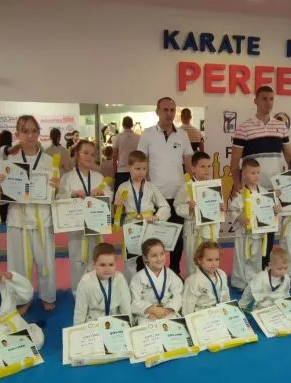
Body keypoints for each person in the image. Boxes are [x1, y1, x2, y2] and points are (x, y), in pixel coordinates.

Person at [229, 86, 291, 264]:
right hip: (252, 189)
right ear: (256, 101)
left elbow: (290, 157)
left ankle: (265, 267)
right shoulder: (244, 128)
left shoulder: (281, 127)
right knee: (251, 230)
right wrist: (237, 184)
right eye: (264, 98)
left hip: (273, 189)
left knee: (269, 229)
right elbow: (234, 161)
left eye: (271, 99)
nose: (268, 102)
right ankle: (249, 268)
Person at [2, 115, 60, 312]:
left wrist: (56, 187)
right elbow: (2, 198)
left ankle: (47, 295)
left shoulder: (49, 160)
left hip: (43, 218)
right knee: (18, 263)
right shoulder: (9, 161)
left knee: (46, 261)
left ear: (39, 133)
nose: (30, 135)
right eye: (25, 131)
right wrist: (2, 186)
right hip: (18, 218)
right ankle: (22, 299)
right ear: (17, 134)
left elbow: (55, 195)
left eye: (34, 131)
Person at [137, 97, 194, 275]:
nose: (169, 113)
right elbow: (142, 161)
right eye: (165, 110)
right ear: (157, 112)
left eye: (172, 110)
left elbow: (188, 162)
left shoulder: (182, 135)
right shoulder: (147, 134)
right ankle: (148, 273)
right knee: (152, 236)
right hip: (155, 196)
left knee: (177, 237)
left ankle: (175, 271)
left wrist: (192, 189)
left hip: (178, 195)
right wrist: (147, 189)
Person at [59, 140, 113, 294]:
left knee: (97, 258)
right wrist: (72, 194)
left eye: (92, 154)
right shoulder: (67, 178)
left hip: (96, 226)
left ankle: (97, 291)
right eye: (85, 153)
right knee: (77, 260)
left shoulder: (98, 177)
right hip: (76, 228)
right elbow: (59, 199)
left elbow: (110, 196)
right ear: (77, 154)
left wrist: (102, 194)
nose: (89, 157)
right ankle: (78, 293)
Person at [114, 151, 171, 279]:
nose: (141, 172)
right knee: (129, 261)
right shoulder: (123, 187)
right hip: (131, 225)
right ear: (129, 167)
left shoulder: (151, 187)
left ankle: (153, 283)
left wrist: (157, 216)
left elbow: (165, 206)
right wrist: (118, 206)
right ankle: (131, 287)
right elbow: (117, 212)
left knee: (151, 257)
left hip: (148, 224)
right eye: (137, 168)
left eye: (144, 169)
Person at [228, 159, 277, 290]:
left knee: (256, 258)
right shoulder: (239, 192)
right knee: (241, 257)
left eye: (258, 172)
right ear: (244, 173)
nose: (256, 176)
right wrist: (239, 217)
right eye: (252, 173)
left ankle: (254, 281)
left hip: (258, 232)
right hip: (243, 232)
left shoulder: (265, 192)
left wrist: (275, 209)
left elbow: (271, 210)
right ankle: (239, 282)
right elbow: (232, 210)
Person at [174, 151, 225, 276]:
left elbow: (218, 206)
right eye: (202, 166)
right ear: (193, 168)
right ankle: (193, 284)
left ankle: (210, 281)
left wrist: (222, 208)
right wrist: (189, 208)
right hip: (194, 230)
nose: (206, 169)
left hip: (210, 228)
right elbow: (177, 206)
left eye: (208, 166)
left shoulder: (213, 186)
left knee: (210, 258)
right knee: (194, 260)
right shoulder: (186, 186)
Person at [73, 243, 131, 325]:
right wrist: (78, 330)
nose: (107, 269)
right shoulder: (85, 281)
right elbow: (80, 312)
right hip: (94, 321)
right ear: (94, 264)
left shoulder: (119, 278)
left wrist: (129, 325)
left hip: (116, 320)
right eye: (102, 265)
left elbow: (126, 307)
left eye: (111, 265)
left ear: (115, 264)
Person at [130, 238, 184, 325]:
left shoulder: (170, 274)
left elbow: (178, 295)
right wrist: (150, 310)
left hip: (168, 312)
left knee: (175, 328)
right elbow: (135, 302)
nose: (159, 258)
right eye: (154, 256)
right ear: (145, 258)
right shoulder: (138, 277)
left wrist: (168, 309)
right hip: (148, 314)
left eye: (162, 254)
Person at [182, 241, 230, 314]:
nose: (214, 264)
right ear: (199, 260)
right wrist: (188, 319)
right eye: (209, 260)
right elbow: (188, 304)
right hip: (202, 314)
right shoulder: (192, 281)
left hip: (220, 311)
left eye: (217, 259)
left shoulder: (222, 274)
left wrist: (229, 310)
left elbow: (225, 295)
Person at [111, 116, 139, 193]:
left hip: (121, 171)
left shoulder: (117, 137)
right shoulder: (138, 138)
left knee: (120, 195)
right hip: (135, 170)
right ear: (132, 125)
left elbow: (114, 156)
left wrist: (114, 172)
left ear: (123, 125)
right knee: (134, 194)